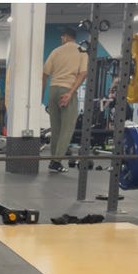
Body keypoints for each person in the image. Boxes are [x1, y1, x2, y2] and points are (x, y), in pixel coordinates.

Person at [42, 27, 89, 173]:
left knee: (56, 129)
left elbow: (44, 75)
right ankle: (56, 162)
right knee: (66, 130)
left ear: (65, 37)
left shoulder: (56, 51)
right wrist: (70, 92)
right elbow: (83, 74)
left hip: (53, 90)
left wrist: (42, 96)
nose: (61, 40)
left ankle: (53, 161)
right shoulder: (82, 51)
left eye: (62, 37)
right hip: (67, 90)